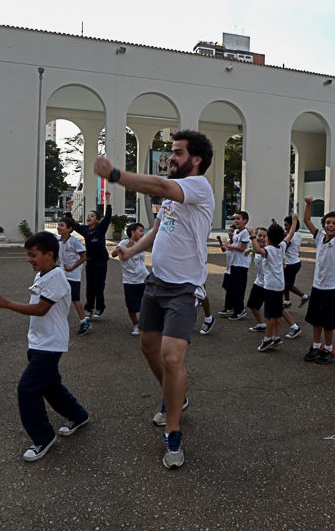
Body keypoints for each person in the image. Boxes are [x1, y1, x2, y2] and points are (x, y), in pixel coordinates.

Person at [95, 129, 214, 469]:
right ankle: (174, 396)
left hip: (183, 288)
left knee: (172, 357)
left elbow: (160, 186)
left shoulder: (197, 187)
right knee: (148, 346)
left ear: (196, 159)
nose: (171, 158)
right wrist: (131, 249)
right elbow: (158, 228)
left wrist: (116, 175)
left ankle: (173, 431)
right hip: (156, 283)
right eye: (171, 152)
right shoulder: (174, 197)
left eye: (177, 153)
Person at [0, 232, 90, 462]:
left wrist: (7, 304)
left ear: (49, 255)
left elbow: (42, 309)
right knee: (50, 386)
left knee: (27, 388)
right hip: (40, 341)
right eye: (28, 255)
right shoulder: (45, 274)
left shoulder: (57, 276)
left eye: (33, 255)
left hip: (50, 344)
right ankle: (78, 415)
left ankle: (43, 437)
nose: (29, 259)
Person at [301, 195, 335, 365]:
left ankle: (329, 348)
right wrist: (309, 204)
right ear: (323, 225)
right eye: (328, 222)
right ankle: (316, 345)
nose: (331, 225)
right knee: (315, 318)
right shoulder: (319, 237)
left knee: (328, 320)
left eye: (334, 223)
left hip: (332, 287)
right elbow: (306, 220)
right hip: (317, 285)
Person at [64, 191, 112, 319]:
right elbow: (72, 224)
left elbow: (107, 217)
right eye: (88, 215)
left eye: (92, 216)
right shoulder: (85, 230)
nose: (89, 217)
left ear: (97, 220)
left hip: (101, 262)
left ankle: (100, 308)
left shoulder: (101, 229)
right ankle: (89, 308)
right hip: (90, 262)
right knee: (90, 286)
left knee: (98, 285)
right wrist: (68, 208)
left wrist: (108, 200)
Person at [252, 223, 292, 352]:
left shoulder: (269, 250)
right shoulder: (282, 247)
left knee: (270, 315)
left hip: (270, 287)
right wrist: (295, 221)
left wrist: (252, 236)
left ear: (268, 238)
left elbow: (258, 250)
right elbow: (290, 235)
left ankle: (267, 339)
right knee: (276, 313)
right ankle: (276, 337)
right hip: (279, 286)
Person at [111, 222, 149, 336]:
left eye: (143, 231)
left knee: (148, 303)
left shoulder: (142, 243)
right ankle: (135, 324)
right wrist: (127, 246)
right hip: (129, 280)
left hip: (144, 277)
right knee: (131, 306)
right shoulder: (124, 242)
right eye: (140, 231)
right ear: (133, 232)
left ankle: (146, 324)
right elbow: (113, 254)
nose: (143, 233)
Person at [56, 217, 90, 335]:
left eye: (62, 225)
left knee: (75, 299)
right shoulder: (58, 240)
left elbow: (84, 257)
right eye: (58, 225)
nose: (58, 227)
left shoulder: (74, 241)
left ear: (69, 229)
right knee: (58, 297)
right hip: (62, 273)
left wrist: (72, 268)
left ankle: (84, 322)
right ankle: (57, 321)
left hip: (73, 275)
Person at [217, 211, 251, 320]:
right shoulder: (236, 232)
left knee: (238, 288)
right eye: (235, 218)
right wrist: (227, 246)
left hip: (242, 264)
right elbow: (235, 246)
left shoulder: (245, 232)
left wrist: (230, 246)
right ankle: (230, 307)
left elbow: (242, 248)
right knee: (231, 287)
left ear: (244, 220)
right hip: (234, 263)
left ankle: (239, 310)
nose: (236, 220)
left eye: (238, 218)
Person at [282, 214, 309, 310]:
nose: (285, 227)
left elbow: (283, 248)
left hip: (290, 264)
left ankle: (303, 296)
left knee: (286, 284)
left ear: (292, 225)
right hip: (295, 262)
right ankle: (287, 301)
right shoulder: (298, 235)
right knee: (287, 283)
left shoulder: (290, 237)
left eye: (286, 225)